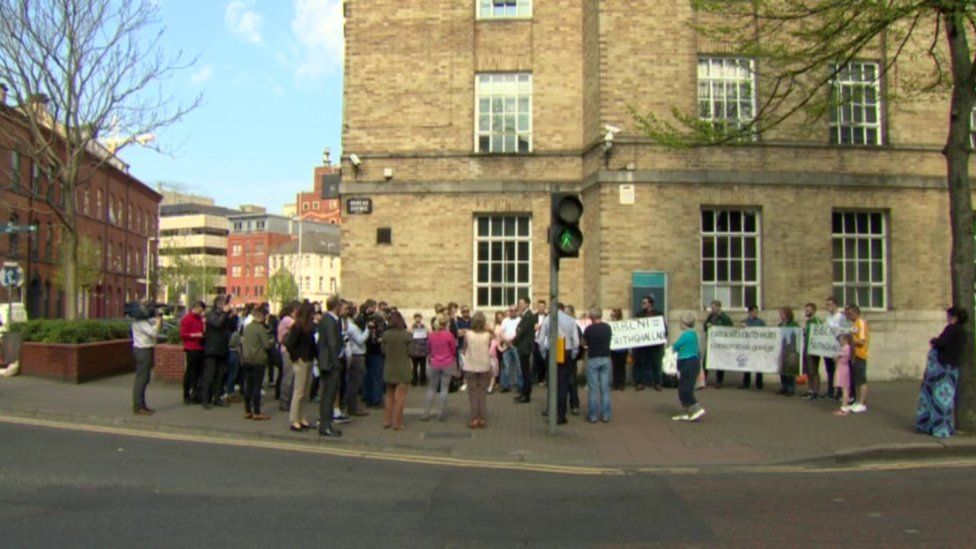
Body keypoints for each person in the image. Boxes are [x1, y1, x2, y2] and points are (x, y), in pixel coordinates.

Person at [915, 307, 968, 437]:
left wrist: (934, 341)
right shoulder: (962, 331)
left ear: (954, 316)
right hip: (952, 368)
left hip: (942, 368)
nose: (947, 317)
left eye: (949, 315)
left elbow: (942, 343)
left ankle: (935, 427)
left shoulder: (951, 329)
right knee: (946, 398)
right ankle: (944, 427)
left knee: (936, 397)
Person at [316, 296, 346, 437]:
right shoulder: (329, 320)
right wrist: (336, 362)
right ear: (336, 307)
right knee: (329, 395)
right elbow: (332, 344)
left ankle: (326, 424)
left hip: (328, 362)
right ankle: (326, 425)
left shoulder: (332, 320)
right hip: (329, 363)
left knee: (328, 394)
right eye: (342, 307)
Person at [284, 302, 316, 432]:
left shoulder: (308, 327)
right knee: (299, 392)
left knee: (306, 392)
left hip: (308, 360)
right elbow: (289, 344)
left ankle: (302, 417)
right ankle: (294, 420)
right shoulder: (297, 326)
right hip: (301, 361)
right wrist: (297, 357)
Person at [201, 295, 235, 409]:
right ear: (217, 304)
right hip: (212, 348)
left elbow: (231, 327)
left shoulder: (223, 315)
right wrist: (225, 314)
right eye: (222, 303)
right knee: (210, 375)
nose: (223, 306)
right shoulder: (210, 315)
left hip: (222, 348)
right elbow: (217, 324)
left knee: (221, 375)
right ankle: (205, 399)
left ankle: (217, 397)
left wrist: (232, 316)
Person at [241, 306, 274, 420]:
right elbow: (266, 345)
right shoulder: (260, 328)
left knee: (248, 385)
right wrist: (271, 341)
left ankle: (247, 410)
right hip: (258, 359)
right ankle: (257, 411)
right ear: (261, 317)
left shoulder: (246, 327)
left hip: (247, 359)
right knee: (257, 386)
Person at [381, 311, 412, 430]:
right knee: (400, 397)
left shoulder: (385, 335)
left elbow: (383, 350)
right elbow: (411, 351)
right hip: (403, 368)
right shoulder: (406, 335)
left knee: (389, 397)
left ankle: (386, 420)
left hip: (389, 367)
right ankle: (397, 423)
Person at [462, 311, 493, 428]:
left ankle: (474, 418)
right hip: (484, 366)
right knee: (482, 394)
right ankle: (482, 418)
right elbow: (490, 345)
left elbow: (464, 349)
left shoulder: (468, 334)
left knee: (473, 393)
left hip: (470, 366)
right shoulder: (487, 335)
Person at [423, 313, 457, 421]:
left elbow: (428, 348)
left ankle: (426, 413)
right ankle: (441, 413)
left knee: (431, 388)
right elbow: (453, 349)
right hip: (447, 362)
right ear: (446, 323)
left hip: (434, 362)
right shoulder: (449, 335)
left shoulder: (431, 335)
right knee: (444, 388)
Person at [671, 312, 705, 422]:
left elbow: (676, 346)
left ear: (684, 323)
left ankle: (696, 407)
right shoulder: (693, 334)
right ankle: (686, 411)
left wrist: (672, 348)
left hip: (688, 363)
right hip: (690, 362)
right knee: (682, 388)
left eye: (680, 322)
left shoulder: (686, 335)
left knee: (686, 389)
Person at [131, 302, 163, 415]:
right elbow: (154, 333)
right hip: (143, 350)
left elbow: (158, 327)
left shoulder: (144, 321)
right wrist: (158, 320)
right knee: (142, 379)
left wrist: (159, 319)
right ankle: (138, 405)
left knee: (144, 378)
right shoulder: (140, 322)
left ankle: (141, 404)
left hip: (144, 349)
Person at [583, 307, 613, 424]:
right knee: (605, 389)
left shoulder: (589, 329)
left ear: (591, 317)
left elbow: (584, 342)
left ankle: (593, 415)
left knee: (593, 389)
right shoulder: (607, 327)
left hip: (593, 358)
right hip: (605, 358)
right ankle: (605, 415)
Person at [554, 303, 580, 425]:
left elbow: (542, 338)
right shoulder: (570, 320)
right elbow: (576, 340)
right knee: (564, 383)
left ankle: (552, 409)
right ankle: (561, 414)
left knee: (554, 382)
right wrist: (573, 354)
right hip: (566, 350)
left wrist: (544, 352)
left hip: (554, 350)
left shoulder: (550, 319)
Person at [632, 295, 665, 391]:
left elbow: (663, 327)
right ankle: (640, 382)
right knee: (641, 363)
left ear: (650, 303)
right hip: (643, 345)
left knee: (656, 364)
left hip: (655, 345)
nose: (642, 304)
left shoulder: (658, 314)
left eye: (644, 303)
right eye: (642, 302)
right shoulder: (639, 314)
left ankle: (658, 383)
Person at [344, 304, 370, 417]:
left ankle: (352, 406)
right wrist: (368, 330)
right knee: (355, 383)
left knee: (353, 383)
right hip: (357, 354)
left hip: (355, 354)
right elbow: (360, 340)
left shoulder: (350, 324)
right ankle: (353, 407)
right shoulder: (351, 327)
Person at [179, 301, 205, 404]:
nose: (202, 312)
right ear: (196, 307)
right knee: (190, 372)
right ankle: (186, 395)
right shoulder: (187, 319)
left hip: (199, 348)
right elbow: (183, 334)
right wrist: (194, 335)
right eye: (201, 310)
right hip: (191, 348)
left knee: (198, 373)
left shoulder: (200, 319)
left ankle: (196, 394)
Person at [823, 296, 848, 400]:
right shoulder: (828, 318)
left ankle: (839, 391)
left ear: (835, 305)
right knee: (829, 371)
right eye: (827, 305)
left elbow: (844, 330)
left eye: (829, 304)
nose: (828, 307)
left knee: (838, 370)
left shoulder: (841, 317)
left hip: (837, 347)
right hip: (828, 347)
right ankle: (830, 390)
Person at [513, 296, 537, 403]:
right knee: (524, 371)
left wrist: (514, 341)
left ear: (527, 304)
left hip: (525, 346)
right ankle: (523, 392)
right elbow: (518, 328)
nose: (519, 305)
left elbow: (522, 331)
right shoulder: (525, 315)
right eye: (519, 303)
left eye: (521, 303)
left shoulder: (529, 316)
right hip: (523, 346)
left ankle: (526, 395)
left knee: (526, 371)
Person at [846, 304, 870, 413]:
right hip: (854, 355)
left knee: (861, 379)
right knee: (856, 380)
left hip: (860, 354)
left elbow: (862, 341)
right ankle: (856, 401)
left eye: (850, 313)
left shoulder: (861, 323)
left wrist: (851, 338)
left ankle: (862, 403)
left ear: (855, 312)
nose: (848, 315)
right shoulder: (854, 324)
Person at [704, 300, 733, 388]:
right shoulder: (710, 316)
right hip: (711, 343)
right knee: (705, 362)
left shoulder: (725, 318)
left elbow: (730, 329)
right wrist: (707, 326)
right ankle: (703, 380)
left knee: (720, 362)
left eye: (713, 308)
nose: (712, 310)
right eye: (711, 308)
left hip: (720, 344)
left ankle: (719, 381)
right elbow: (705, 325)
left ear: (718, 307)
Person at [276, 301, 298, 409]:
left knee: (290, 376)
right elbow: (298, 326)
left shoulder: (285, 320)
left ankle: (286, 400)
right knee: (288, 377)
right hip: (287, 350)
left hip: (288, 350)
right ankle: (284, 401)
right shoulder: (287, 320)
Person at [739, 305, 765, 390]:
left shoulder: (760, 322)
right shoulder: (744, 322)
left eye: (756, 312)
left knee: (759, 365)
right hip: (747, 346)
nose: (755, 313)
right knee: (747, 365)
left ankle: (759, 384)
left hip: (757, 346)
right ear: (750, 312)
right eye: (754, 311)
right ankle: (746, 383)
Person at [801, 303, 823, 400]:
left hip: (814, 349)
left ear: (813, 311)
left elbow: (821, 333)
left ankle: (816, 392)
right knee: (808, 371)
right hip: (806, 348)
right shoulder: (808, 322)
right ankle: (810, 390)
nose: (806, 312)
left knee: (814, 371)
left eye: (808, 310)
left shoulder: (816, 321)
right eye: (805, 310)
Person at [777, 307, 800, 397]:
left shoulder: (793, 324)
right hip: (781, 349)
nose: (780, 315)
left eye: (782, 313)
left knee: (790, 369)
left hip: (790, 349)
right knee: (782, 368)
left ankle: (791, 388)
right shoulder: (780, 325)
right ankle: (784, 386)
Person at [498, 305, 520, 393]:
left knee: (519, 366)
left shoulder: (519, 320)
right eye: (511, 310)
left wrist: (511, 341)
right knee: (506, 366)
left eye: (515, 310)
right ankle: (506, 385)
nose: (513, 312)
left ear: (517, 311)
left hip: (516, 345)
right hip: (506, 346)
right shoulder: (505, 320)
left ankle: (520, 385)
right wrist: (506, 340)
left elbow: (519, 333)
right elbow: (501, 332)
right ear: (509, 311)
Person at [832, 333, 853, 416]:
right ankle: (844, 406)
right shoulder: (846, 348)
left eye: (840, 340)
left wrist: (835, 357)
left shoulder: (845, 348)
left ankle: (844, 407)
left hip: (842, 368)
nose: (839, 342)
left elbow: (836, 358)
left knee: (844, 388)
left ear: (845, 340)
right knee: (844, 388)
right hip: (843, 367)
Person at [608, 309, 628, 390]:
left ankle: (622, 384)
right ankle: (616, 384)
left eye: (614, 315)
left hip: (622, 349)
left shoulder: (623, 325)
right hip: (614, 349)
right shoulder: (610, 325)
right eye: (611, 315)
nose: (612, 317)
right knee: (615, 367)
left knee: (622, 367)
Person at [408, 313, 429, 386]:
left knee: (423, 367)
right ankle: (414, 380)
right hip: (415, 351)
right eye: (416, 317)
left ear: (421, 318)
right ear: (414, 318)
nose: (418, 319)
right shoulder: (411, 327)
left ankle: (423, 380)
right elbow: (410, 336)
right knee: (414, 367)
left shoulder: (424, 327)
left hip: (423, 350)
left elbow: (427, 335)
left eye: (419, 317)